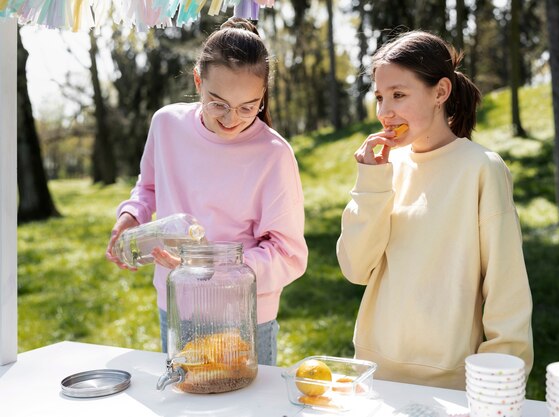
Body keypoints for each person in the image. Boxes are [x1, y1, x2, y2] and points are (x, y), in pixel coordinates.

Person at [336, 30, 533, 390]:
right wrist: (370, 183)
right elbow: (356, 268)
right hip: (376, 375)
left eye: (398, 95)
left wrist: (501, 382)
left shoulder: (481, 168)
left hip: (453, 385)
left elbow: (507, 290)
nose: (385, 112)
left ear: (440, 92)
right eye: (379, 97)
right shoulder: (384, 168)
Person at [106, 17, 308, 366]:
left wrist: (212, 268)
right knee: (182, 400)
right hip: (177, 304)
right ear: (198, 80)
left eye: (248, 107)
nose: (232, 119)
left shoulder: (274, 154)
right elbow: (149, 184)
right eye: (218, 103)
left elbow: (289, 254)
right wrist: (131, 215)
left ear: (263, 96)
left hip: (244, 315)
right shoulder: (166, 125)